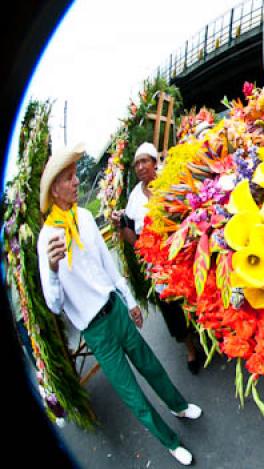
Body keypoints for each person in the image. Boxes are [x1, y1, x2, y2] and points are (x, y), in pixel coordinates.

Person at [37, 143, 201, 465]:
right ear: (55, 188)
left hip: (115, 310)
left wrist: (129, 299)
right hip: (96, 331)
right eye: (70, 178)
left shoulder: (84, 217)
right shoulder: (47, 239)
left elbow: (107, 266)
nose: (76, 182)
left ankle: (178, 405)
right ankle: (169, 441)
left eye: (74, 176)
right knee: (131, 393)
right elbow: (54, 306)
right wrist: (54, 270)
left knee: (150, 365)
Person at [111, 142, 202, 374]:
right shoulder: (133, 199)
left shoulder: (170, 180)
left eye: (144, 161)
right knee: (171, 307)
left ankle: (209, 333)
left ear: (154, 162)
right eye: (136, 164)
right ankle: (190, 349)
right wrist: (121, 228)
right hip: (158, 263)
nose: (140, 167)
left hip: (184, 251)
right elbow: (133, 237)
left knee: (198, 295)